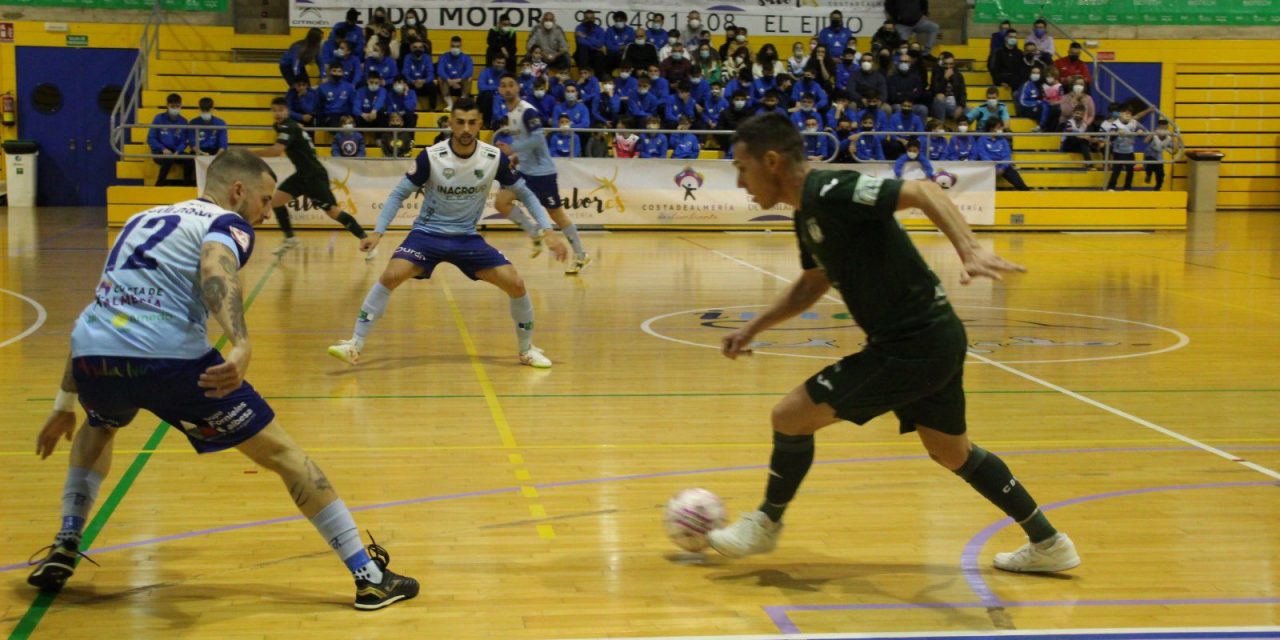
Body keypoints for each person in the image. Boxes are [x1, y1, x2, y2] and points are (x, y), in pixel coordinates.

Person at [26, 148, 419, 610]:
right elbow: (216, 267)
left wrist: (61, 406)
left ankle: (67, 542)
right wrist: (241, 341)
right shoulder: (226, 223)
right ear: (238, 190)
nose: (266, 214)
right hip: (171, 363)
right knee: (285, 456)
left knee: (101, 424)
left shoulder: (140, 220)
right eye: (266, 201)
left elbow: (104, 308)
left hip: (95, 358)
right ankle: (368, 576)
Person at [709, 113, 1080, 579]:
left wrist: (969, 248)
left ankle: (765, 521)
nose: (741, 182)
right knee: (952, 452)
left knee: (789, 416)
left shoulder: (831, 190)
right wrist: (753, 328)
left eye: (742, 168)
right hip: (931, 339)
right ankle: (1049, 542)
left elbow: (922, 190)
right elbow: (811, 284)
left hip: (913, 343)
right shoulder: (807, 217)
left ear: (771, 160)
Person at [326, 98, 568, 369]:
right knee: (390, 276)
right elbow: (398, 194)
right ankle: (354, 345)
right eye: (460, 122)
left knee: (516, 284)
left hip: (466, 237)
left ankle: (526, 350)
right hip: (427, 235)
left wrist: (548, 231)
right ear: (451, 123)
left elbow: (525, 193)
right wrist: (378, 232)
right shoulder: (431, 156)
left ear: (480, 125)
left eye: (472, 122)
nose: (466, 128)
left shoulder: (493, 158)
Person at [492, 75, 592, 273]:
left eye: (511, 85)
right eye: (503, 86)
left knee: (557, 215)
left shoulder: (527, 111)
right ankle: (535, 232)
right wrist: (517, 157)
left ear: (518, 88)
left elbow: (538, 138)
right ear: (500, 91)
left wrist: (512, 149)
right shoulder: (510, 113)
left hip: (542, 173)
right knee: (500, 202)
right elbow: (527, 142)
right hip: (524, 170)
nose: (507, 89)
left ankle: (581, 255)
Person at [254, 98, 373, 257]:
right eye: (274, 110)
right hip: (302, 174)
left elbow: (277, 151)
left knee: (333, 212)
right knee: (276, 202)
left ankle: (366, 240)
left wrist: (249, 153)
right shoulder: (284, 126)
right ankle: (290, 239)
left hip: (313, 175)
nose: (277, 113)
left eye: (281, 109)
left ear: (287, 111)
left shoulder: (288, 127)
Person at [147, 93, 194, 187]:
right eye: (172, 106)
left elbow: (184, 141)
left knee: (190, 159)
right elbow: (151, 138)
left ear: (181, 106)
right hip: (160, 152)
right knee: (168, 158)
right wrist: (163, 149)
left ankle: (187, 185)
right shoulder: (159, 119)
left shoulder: (183, 121)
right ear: (167, 105)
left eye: (177, 106)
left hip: (176, 152)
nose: (175, 108)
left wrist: (179, 150)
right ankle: (159, 184)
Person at [976, 119, 1030, 190]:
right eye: (999, 128)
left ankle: (1027, 195)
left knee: (1019, 182)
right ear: (991, 128)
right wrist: (994, 167)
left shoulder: (1003, 140)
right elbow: (983, 155)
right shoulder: (982, 139)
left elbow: (1007, 155)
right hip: (988, 167)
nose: (1001, 130)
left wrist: (1002, 168)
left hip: (1003, 166)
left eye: (1001, 127)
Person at [1103, 105, 1144, 191]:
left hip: (1129, 152)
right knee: (1116, 171)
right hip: (1118, 152)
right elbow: (1110, 137)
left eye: (1130, 114)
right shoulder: (1115, 124)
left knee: (1130, 170)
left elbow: (1141, 131)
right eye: (1126, 114)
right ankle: (1111, 187)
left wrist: (1140, 131)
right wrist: (1117, 132)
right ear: (1120, 114)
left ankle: (1127, 187)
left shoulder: (1134, 122)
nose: (1128, 116)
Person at [437, 36, 474, 111]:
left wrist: (459, 80)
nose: (455, 48)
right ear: (450, 46)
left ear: (461, 46)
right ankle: (450, 104)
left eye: (457, 46)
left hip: (461, 81)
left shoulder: (466, 58)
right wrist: (448, 80)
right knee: (440, 78)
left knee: (469, 78)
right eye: (453, 46)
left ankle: (462, 103)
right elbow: (440, 70)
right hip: (448, 82)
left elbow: (469, 71)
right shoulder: (443, 57)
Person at [401, 39, 439, 111]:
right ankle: (406, 109)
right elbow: (405, 74)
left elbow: (431, 74)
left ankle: (432, 109)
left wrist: (423, 81)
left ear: (424, 49)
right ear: (411, 48)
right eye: (415, 47)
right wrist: (413, 82)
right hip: (412, 84)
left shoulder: (427, 57)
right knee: (403, 84)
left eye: (420, 47)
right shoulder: (407, 57)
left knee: (432, 85)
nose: (418, 49)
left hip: (424, 84)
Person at [1143, 120, 1180, 190]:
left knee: (1161, 174)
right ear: (1158, 129)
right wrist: (1153, 133)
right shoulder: (1154, 136)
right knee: (1150, 165)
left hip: (1158, 158)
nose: (1163, 131)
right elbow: (1145, 141)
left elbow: (1174, 150)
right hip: (1149, 156)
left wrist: (1174, 137)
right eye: (1161, 129)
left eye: (1165, 129)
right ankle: (1148, 174)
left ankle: (1158, 188)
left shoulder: (1168, 138)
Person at [929, 52, 966, 122]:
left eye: (951, 64)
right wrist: (945, 78)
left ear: (954, 64)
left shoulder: (959, 76)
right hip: (942, 105)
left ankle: (962, 130)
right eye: (946, 64)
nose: (948, 66)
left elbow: (963, 93)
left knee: (971, 111)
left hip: (955, 104)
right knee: (940, 96)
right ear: (942, 64)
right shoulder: (937, 74)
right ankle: (940, 125)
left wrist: (961, 106)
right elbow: (935, 90)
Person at [574, 10, 608, 77]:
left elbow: (600, 43)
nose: (589, 20)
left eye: (591, 18)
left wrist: (585, 36)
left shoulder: (599, 29)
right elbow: (581, 42)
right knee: (583, 48)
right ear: (584, 19)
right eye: (587, 18)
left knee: (600, 54)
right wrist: (596, 47)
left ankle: (599, 78)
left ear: (594, 19)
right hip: (582, 54)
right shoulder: (579, 28)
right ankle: (583, 76)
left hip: (594, 54)